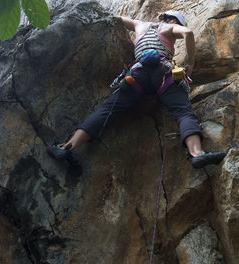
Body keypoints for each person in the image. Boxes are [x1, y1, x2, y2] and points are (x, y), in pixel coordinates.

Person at [47, 11, 226, 169]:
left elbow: (113, 19)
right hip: (163, 74)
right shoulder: (168, 28)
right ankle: (197, 154)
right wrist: (190, 64)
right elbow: (188, 33)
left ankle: (66, 147)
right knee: (183, 112)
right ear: (173, 21)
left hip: (136, 76)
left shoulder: (139, 25)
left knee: (107, 110)